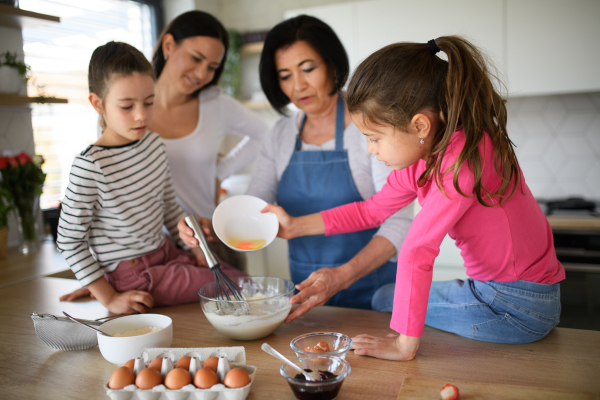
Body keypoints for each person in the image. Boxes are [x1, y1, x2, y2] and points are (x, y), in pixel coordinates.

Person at [261, 36, 564, 360]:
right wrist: (294, 227)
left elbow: (418, 250)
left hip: (516, 307)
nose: (371, 149)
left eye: (374, 138)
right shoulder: (425, 153)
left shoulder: (465, 158)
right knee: (386, 298)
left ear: (419, 124)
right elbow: (371, 210)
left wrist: (404, 344)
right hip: (498, 293)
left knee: (385, 300)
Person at [179, 15, 412, 322]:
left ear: (332, 64)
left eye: (308, 69)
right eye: (285, 75)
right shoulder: (279, 135)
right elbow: (253, 210)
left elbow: (398, 221)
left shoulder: (368, 129)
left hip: (373, 289)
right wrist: (211, 227)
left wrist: (342, 276)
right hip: (309, 294)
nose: (298, 85)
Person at [57, 41, 245, 314]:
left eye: (149, 102)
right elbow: (68, 240)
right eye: (126, 106)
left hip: (166, 253)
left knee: (234, 277)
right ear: (98, 103)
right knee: (242, 285)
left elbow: (169, 207)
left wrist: (192, 248)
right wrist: (108, 296)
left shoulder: (154, 144)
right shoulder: (90, 166)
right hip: (134, 275)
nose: (141, 115)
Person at [151, 11, 268, 270]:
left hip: (207, 244)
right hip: (149, 250)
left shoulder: (216, 105)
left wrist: (220, 171)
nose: (202, 73)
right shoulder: (133, 106)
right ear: (168, 45)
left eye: (212, 67)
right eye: (196, 58)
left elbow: (265, 136)